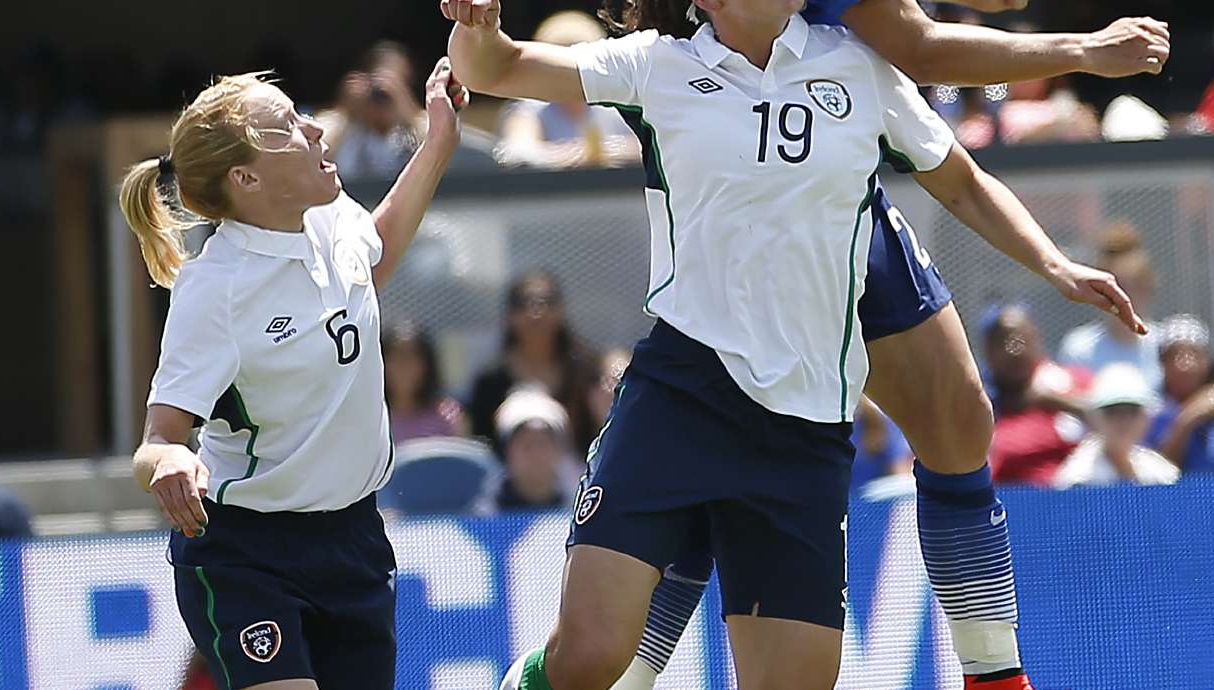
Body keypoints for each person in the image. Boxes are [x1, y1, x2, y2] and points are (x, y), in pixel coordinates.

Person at [443, 2, 1148, 690]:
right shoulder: (655, 66)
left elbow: (960, 179)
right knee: (586, 662)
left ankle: (994, 667)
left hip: (804, 430)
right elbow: (497, 67)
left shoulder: (860, 70)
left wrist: (1056, 264)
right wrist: (476, 25)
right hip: (680, 400)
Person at [120, 61, 466, 690]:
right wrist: (169, 461)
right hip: (247, 554)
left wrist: (438, 141)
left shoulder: (330, 218)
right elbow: (157, 438)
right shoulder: (215, 288)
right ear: (246, 178)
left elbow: (374, 258)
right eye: (285, 127)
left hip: (357, 539)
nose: (311, 127)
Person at [467, 271, 599, 458]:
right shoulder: (490, 379)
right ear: (509, 315)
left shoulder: (584, 371)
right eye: (524, 304)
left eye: (547, 302)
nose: (536, 312)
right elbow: (482, 442)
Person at [320, 41, 494, 180]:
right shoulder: (343, 127)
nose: (382, 97)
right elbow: (313, 152)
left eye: (396, 86)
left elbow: (464, 152)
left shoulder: (415, 131)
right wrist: (345, 113)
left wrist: (411, 114)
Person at [496, 11, 641, 168]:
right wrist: (578, 154)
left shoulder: (617, 108)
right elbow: (517, 152)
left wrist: (610, 151)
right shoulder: (530, 111)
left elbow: (651, 145)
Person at [985, 305, 1092, 486]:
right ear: (988, 351)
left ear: (1037, 339)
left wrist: (1055, 402)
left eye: (1021, 339)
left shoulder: (1069, 382)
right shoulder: (978, 398)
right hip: (1003, 500)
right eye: (1002, 341)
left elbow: (1117, 421)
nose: (1014, 351)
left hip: (1073, 497)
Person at [1059, 222, 1162, 387]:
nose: (1124, 298)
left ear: (1147, 288)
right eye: (1117, 288)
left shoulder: (1164, 345)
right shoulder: (1079, 347)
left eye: (1132, 287)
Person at [1054, 363, 1178, 489]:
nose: (1123, 420)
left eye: (1132, 411)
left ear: (1146, 418)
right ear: (1094, 418)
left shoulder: (1159, 470)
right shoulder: (1078, 478)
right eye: (1112, 411)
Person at [1147, 315, 1214, 473]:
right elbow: (1158, 473)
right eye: (1175, 355)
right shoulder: (1151, 413)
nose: (1185, 364)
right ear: (1162, 363)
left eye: (1194, 354)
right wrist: (1188, 419)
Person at [382, 322, 466, 445]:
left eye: (413, 356)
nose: (405, 365)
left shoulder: (446, 416)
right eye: (396, 357)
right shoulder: (372, 417)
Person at [492, 388, 576, 510]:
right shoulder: (479, 521)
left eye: (543, 443)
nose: (536, 454)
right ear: (506, 452)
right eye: (527, 444)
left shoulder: (581, 514)